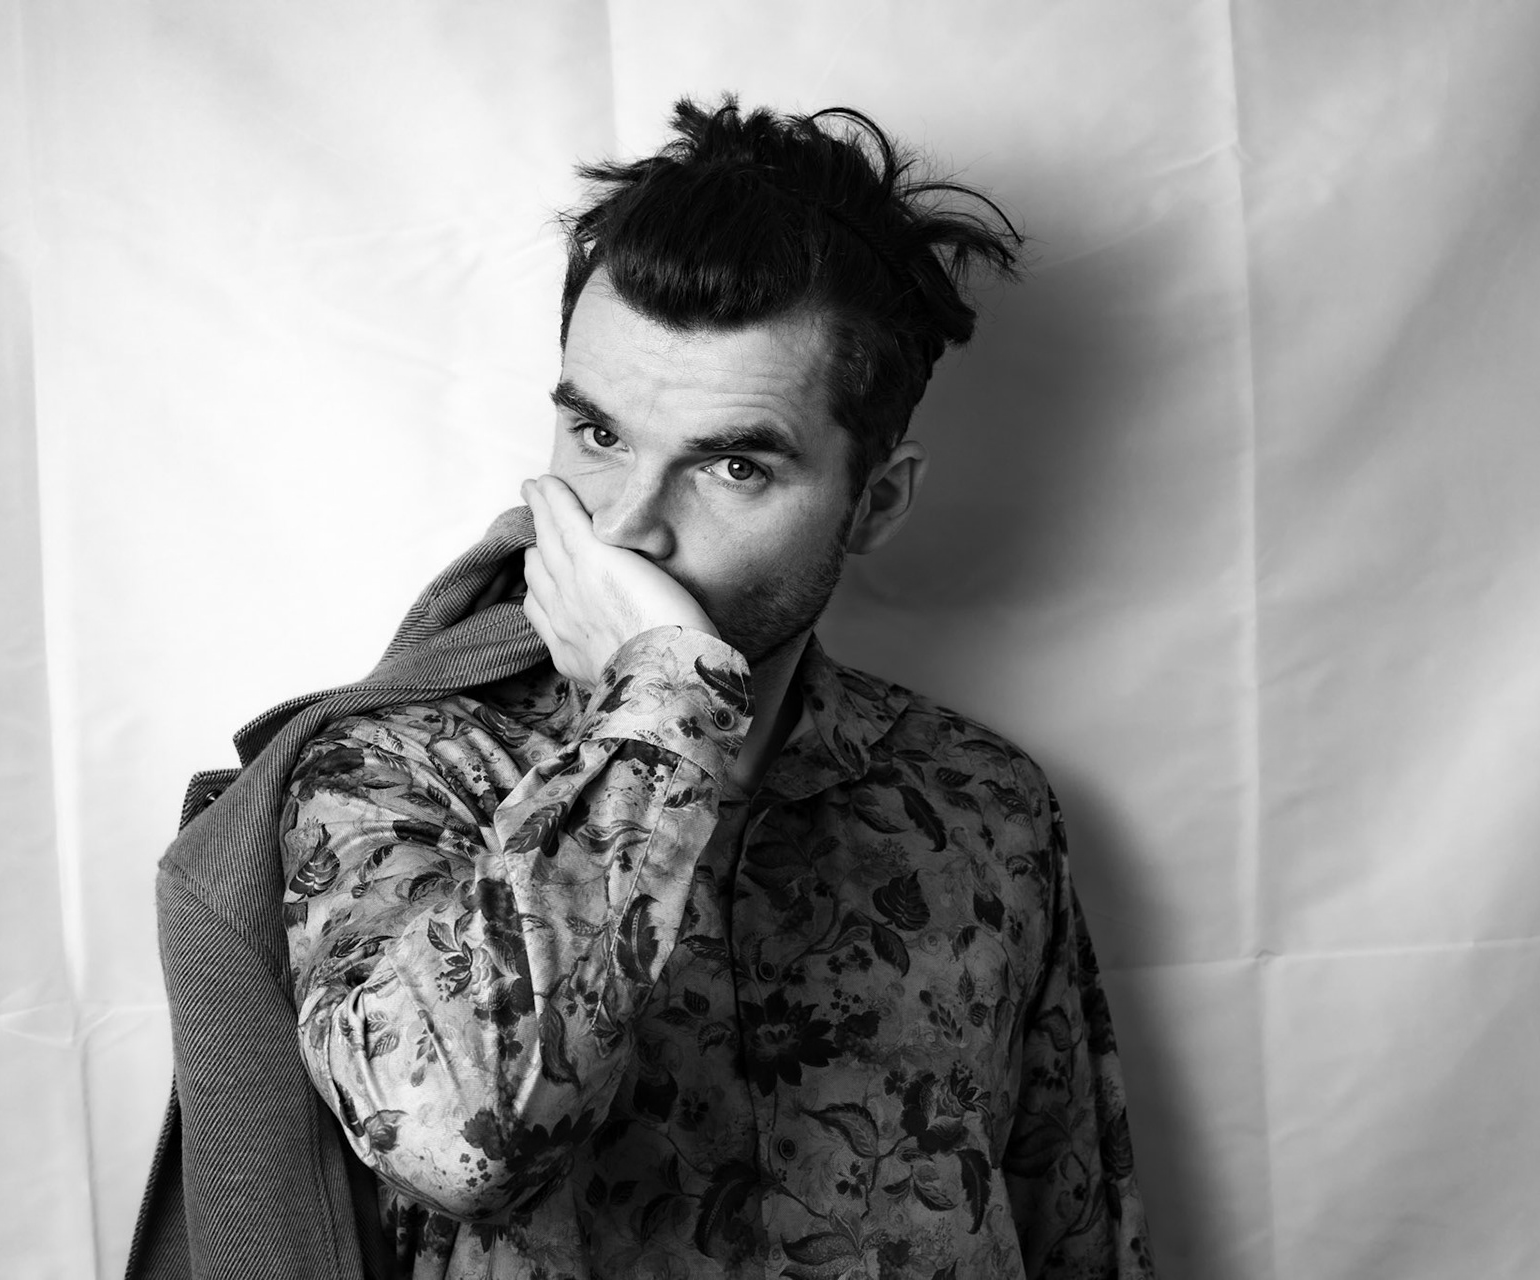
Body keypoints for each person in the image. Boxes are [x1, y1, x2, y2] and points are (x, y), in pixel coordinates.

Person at [278, 97, 1154, 1279]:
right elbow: (451, 1140)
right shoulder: (399, 770)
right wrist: (664, 701)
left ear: (874, 503)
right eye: (597, 436)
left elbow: (1076, 1223)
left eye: (735, 464)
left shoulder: (982, 805)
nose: (628, 528)